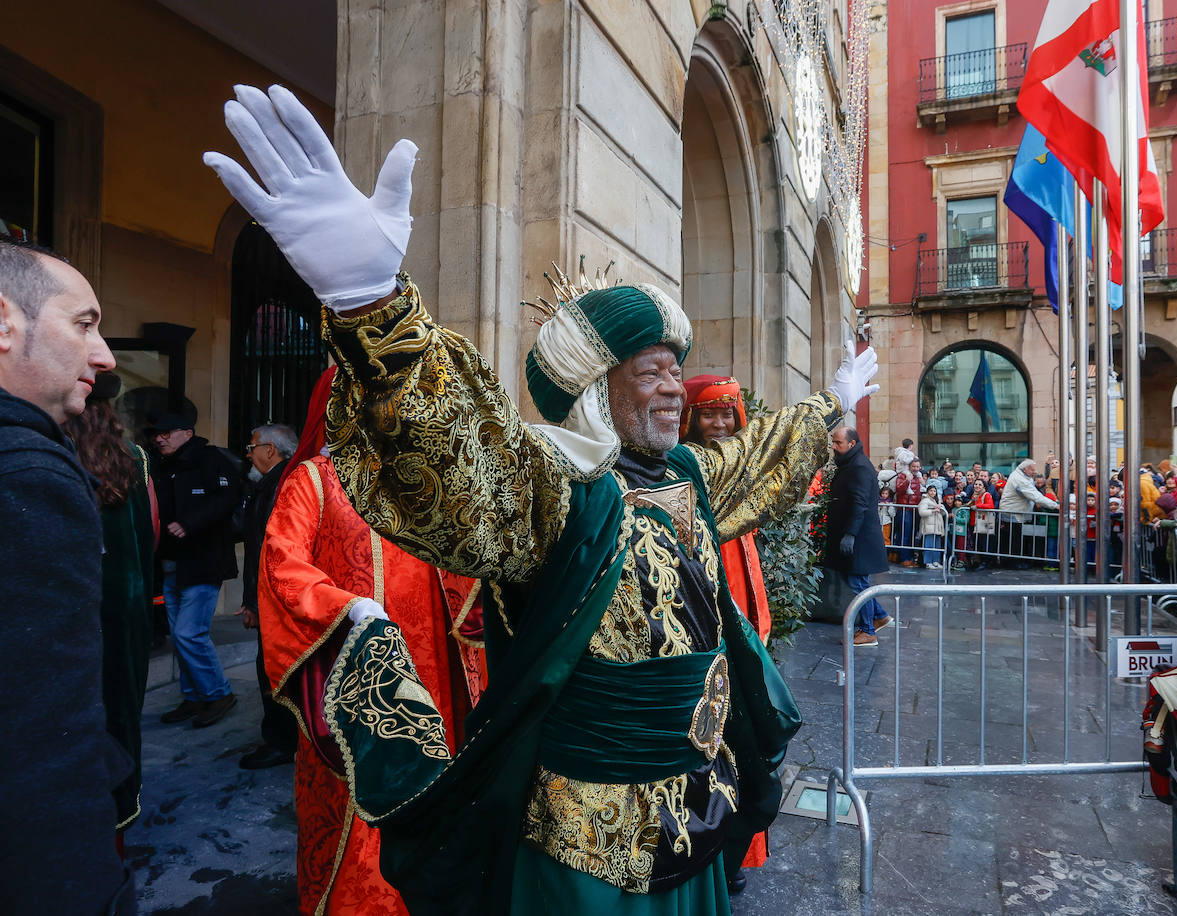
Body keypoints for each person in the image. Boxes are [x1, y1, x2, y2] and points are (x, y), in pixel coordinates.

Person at [205, 83, 880, 915]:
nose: (676, 388)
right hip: (588, 851)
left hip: (697, 817)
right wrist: (374, 308)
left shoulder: (687, 475)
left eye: (678, 368)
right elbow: (465, 462)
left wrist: (829, 406)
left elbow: (757, 454)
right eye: (653, 370)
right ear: (597, 388)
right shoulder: (561, 493)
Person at [258, 377, 486, 914]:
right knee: (357, 807)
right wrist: (344, 610)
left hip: (434, 678)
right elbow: (281, 564)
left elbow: (472, 556)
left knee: (434, 794)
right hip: (357, 678)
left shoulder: (423, 482)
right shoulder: (313, 481)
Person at [0, 237, 134, 913]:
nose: (104, 356)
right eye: (84, 324)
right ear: (4, 321)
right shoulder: (29, 474)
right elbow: (43, 738)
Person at [678, 374, 773, 892]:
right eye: (709, 414)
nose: (719, 424)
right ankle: (711, 853)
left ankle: (735, 850)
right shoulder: (684, 466)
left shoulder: (741, 463)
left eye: (726, 414)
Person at [64, 371, 158, 836]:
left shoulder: (53, 449)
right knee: (120, 707)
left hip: (73, 605)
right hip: (126, 605)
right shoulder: (133, 455)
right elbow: (152, 529)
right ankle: (118, 816)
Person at [151, 409, 242, 727]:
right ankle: (194, 697)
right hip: (171, 564)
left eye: (167, 432)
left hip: (203, 563)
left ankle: (219, 694)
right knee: (180, 636)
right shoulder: (161, 465)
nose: (159, 438)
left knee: (189, 633)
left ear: (187, 433)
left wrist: (189, 523)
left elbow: (227, 500)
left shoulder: (211, 459)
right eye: (157, 433)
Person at [237, 421, 300, 770]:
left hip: (275, 596)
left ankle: (281, 741)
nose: (248, 454)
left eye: (252, 447)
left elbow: (267, 549)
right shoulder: (270, 484)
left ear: (270, 450)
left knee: (274, 669)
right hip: (269, 594)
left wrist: (255, 601)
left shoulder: (283, 484)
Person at [825, 426, 892, 647]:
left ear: (851, 444)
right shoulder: (852, 463)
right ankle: (879, 616)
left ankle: (868, 631)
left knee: (858, 582)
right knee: (854, 579)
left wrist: (850, 534)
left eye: (838, 443)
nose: (834, 447)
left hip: (859, 537)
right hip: (853, 534)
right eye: (833, 442)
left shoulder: (859, 466)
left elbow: (860, 503)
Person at [917, 484, 944, 568]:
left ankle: (935, 561)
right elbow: (921, 512)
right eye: (931, 491)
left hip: (937, 526)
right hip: (929, 526)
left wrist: (941, 507)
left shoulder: (936, 501)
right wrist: (933, 510)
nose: (933, 492)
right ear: (927, 492)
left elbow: (943, 513)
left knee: (937, 545)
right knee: (929, 544)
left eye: (934, 491)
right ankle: (928, 562)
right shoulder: (925, 501)